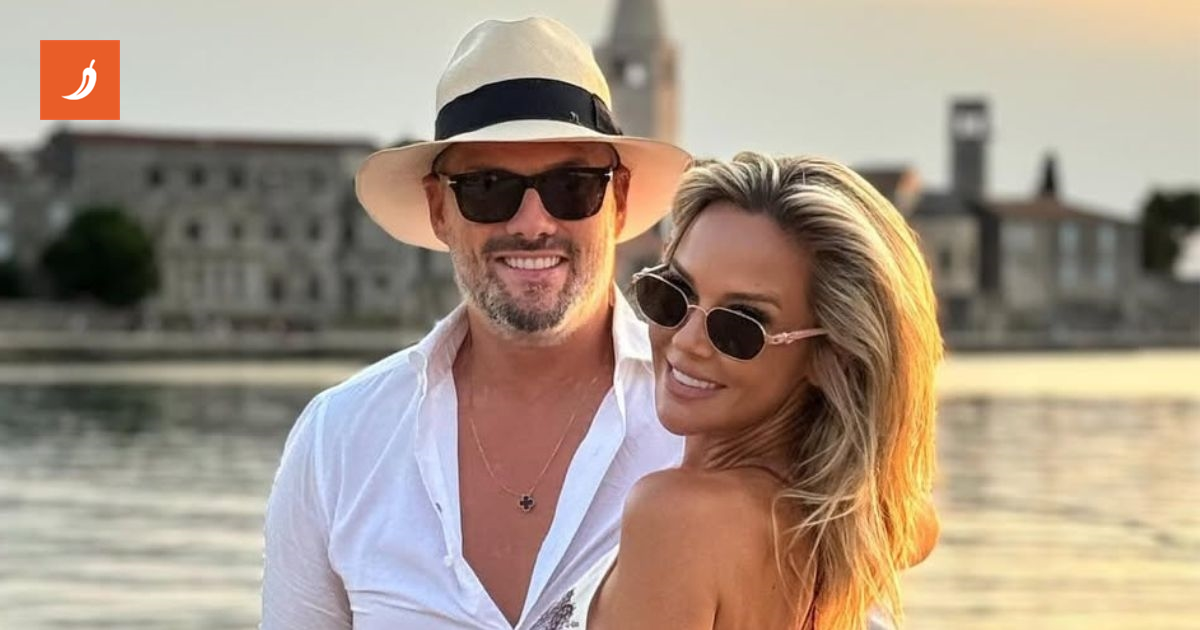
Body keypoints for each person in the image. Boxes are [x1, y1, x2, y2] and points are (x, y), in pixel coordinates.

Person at [260, 16, 692, 629]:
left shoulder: (707, 428)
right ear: (439, 209)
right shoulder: (339, 440)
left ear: (618, 200)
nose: (532, 223)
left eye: (571, 186)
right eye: (488, 187)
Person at [538, 153, 942, 629]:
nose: (686, 341)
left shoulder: (676, 518)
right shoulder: (856, 524)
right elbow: (917, 526)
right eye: (673, 294)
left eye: (739, 326)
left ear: (832, 355)